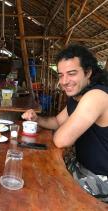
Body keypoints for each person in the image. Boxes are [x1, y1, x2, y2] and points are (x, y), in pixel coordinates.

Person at [21, 45, 108, 202]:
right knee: (33, 172)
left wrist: (62, 131)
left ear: (88, 72)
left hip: (101, 179)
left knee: (43, 188)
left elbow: (62, 140)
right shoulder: (78, 97)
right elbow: (56, 121)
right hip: (82, 167)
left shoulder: (96, 95)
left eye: (72, 74)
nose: (64, 81)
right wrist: (36, 119)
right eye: (61, 75)